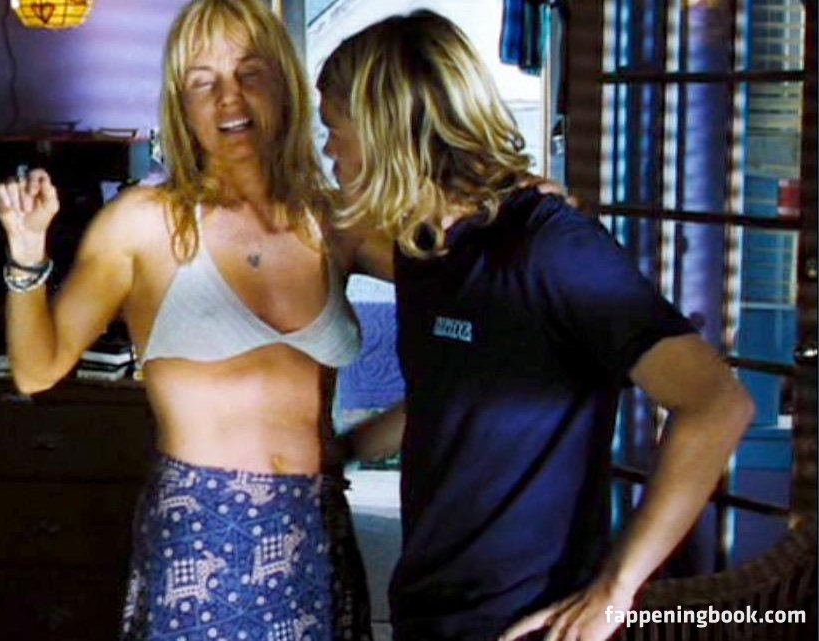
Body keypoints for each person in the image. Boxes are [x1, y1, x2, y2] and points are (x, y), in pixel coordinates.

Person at [315, 10, 754, 641]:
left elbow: (717, 404)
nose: (329, 150)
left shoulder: (550, 245)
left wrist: (615, 591)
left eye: (334, 129)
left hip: (531, 618)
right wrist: (341, 451)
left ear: (387, 127)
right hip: (429, 606)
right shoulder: (425, 251)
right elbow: (452, 397)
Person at [0, 1, 372, 639]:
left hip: (318, 527)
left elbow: (461, 266)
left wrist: (527, 207)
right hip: (202, 531)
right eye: (204, 82)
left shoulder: (332, 219)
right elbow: (36, 371)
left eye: (250, 73)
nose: (230, 98)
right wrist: (27, 255)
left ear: (283, 84)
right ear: (181, 103)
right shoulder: (142, 224)